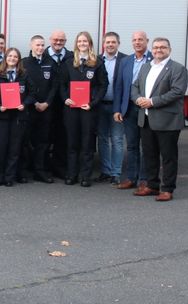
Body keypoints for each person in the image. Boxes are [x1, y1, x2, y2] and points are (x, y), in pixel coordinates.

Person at [130, 37, 188, 201]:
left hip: (167, 121)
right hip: (146, 119)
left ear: (169, 50)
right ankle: (152, 185)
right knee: (149, 155)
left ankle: (168, 189)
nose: (158, 50)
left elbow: (177, 92)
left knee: (168, 157)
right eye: (155, 47)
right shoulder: (146, 67)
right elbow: (135, 86)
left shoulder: (178, 69)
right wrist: (138, 99)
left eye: (162, 47)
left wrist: (152, 102)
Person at [59, 31, 108, 187]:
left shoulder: (97, 63)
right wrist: (65, 98)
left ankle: (86, 176)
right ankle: (72, 174)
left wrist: (93, 103)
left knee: (87, 143)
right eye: (79, 41)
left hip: (88, 109)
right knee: (72, 143)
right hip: (71, 109)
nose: (82, 44)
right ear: (76, 44)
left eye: (85, 41)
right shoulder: (68, 62)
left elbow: (102, 85)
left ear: (90, 44)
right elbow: (62, 84)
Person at [0, 47, 35, 186]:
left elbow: (32, 93)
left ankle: (9, 177)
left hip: (18, 116)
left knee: (14, 148)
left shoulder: (24, 75)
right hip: (1, 116)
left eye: (15, 57)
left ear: (19, 60)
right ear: (5, 58)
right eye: (10, 56)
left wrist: (24, 104)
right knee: (0, 147)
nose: (12, 59)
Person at [113, 31, 152, 190]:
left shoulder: (154, 60)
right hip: (129, 108)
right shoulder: (126, 61)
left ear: (146, 41)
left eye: (140, 40)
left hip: (147, 109)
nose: (137, 42)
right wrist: (117, 109)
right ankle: (131, 178)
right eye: (134, 40)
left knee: (147, 146)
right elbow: (119, 86)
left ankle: (145, 179)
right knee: (132, 146)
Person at [21, 35, 58, 183]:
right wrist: (35, 103)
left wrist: (47, 103)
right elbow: (21, 86)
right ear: (31, 45)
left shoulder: (50, 63)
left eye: (42, 45)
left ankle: (39, 171)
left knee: (43, 142)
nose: (40, 48)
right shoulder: (24, 63)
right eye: (37, 45)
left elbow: (55, 85)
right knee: (24, 141)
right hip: (29, 108)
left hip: (45, 109)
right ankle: (22, 172)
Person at [96, 32, 126, 184]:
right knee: (102, 139)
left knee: (117, 140)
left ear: (118, 44)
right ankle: (106, 171)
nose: (110, 45)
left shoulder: (125, 60)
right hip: (100, 106)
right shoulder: (96, 60)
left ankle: (116, 172)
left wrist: (120, 108)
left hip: (117, 107)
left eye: (113, 42)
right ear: (104, 44)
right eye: (107, 42)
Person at [47, 29, 71, 179]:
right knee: (43, 136)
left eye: (61, 40)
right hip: (46, 104)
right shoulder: (42, 56)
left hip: (65, 103)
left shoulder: (71, 57)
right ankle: (43, 167)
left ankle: (60, 167)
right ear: (50, 40)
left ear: (65, 42)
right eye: (55, 40)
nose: (58, 43)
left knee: (62, 136)